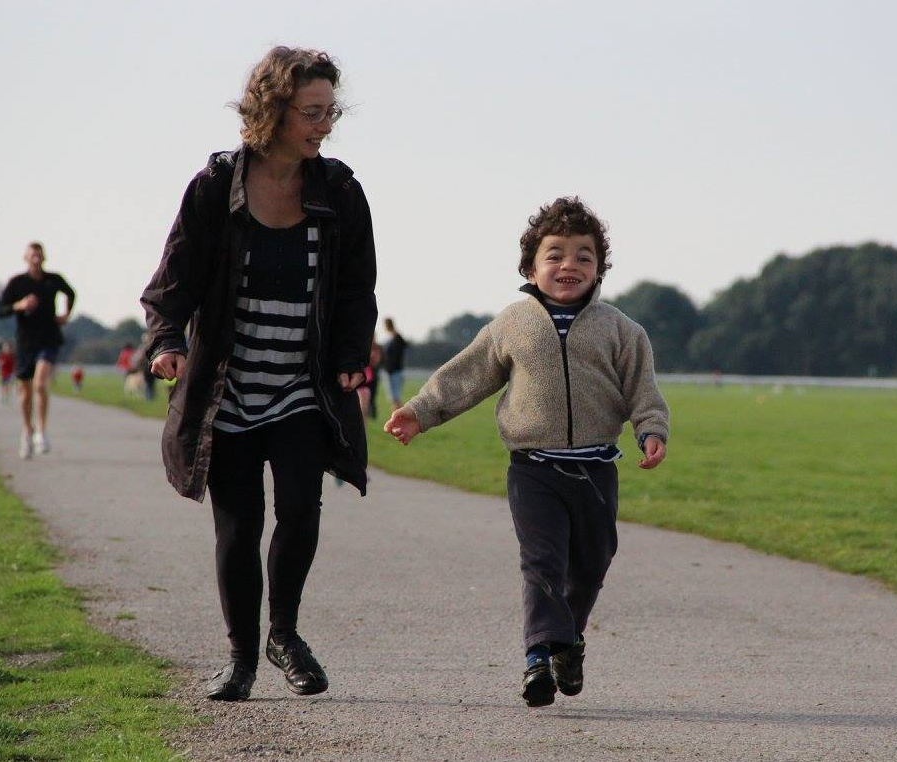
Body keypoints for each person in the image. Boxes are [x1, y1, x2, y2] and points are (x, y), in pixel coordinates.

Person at [140, 46, 377, 703]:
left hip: (303, 387)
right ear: (271, 109)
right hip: (229, 388)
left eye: (330, 111)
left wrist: (352, 355)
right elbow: (174, 280)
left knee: (300, 510)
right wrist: (165, 341)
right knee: (238, 527)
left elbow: (358, 288)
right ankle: (242, 658)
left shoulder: (339, 190)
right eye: (310, 111)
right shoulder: (217, 187)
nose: (323, 124)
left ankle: (284, 635)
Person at [384, 197, 670, 708]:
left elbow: (643, 391)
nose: (569, 265)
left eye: (584, 256)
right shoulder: (513, 324)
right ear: (531, 267)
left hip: (596, 469)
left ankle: (569, 642)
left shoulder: (623, 331)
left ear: (599, 268)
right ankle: (537, 657)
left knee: (591, 565)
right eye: (555, 254)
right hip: (533, 470)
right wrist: (420, 412)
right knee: (542, 561)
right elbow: (466, 376)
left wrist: (651, 429)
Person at [0, 241, 75, 458]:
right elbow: (1, 311)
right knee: (24, 391)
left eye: (39, 255)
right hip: (25, 343)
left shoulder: (53, 280)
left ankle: (41, 431)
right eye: (32, 255)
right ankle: (27, 430)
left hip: (49, 339)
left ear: (44, 257)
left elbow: (71, 293)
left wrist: (66, 315)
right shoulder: (17, 283)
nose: (36, 259)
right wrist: (18, 305)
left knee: (40, 384)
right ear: (26, 258)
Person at [381, 317, 406, 408]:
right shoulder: (389, 339)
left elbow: (404, 346)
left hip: (395, 371)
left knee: (396, 397)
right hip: (389, 371)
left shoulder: (397, 337)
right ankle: (396, 419)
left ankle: (400, 419)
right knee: (393, 398)